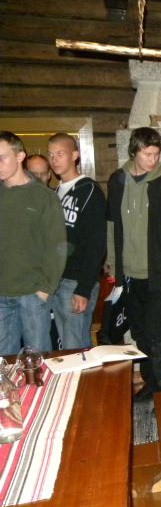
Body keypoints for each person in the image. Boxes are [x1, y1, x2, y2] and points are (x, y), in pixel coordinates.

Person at [107, 127, 161, 401]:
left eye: (156, 154)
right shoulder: (117, 180)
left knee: (159, 333)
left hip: (159, 274)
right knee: (139, 332)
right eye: (147, 154)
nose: (153, 160)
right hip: (129, 275)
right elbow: (111, 226)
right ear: (134, 152)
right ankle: (150, 383)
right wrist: (114, 265)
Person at [0, 131, 66, 355]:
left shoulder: (43, 196)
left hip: (32, 294)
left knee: (37, 361)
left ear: (20, 156)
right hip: (1, 293)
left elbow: (57, 246)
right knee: (4, 364)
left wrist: (45, 289)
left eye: (2, 158)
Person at [49, 133, 107, 349]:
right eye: (51, 155)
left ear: (74, 155)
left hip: (77, 280)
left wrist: (83, 288)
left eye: (60, 154)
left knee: (76, 347)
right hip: (57, 279)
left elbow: (96, 243)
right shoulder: (56, 192)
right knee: (66, 346)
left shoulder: (89, 190)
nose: (54, 159)